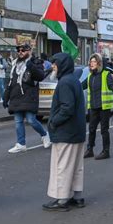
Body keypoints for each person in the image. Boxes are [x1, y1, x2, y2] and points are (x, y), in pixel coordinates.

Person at [43, 53, 86, 212]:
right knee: (76, 166)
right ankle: (77, 196)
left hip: (66, 132)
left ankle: (61, 200)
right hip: (76, 131)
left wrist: (54, 121)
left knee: (63, 166)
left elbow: (67, 108)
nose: (53, 66)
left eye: (55, 64)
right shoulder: (73, 80)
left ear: (62, 65)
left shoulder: (65, 82)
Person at [4, 44, 51, 153]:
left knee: (31, 120)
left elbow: (40, 76)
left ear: (29, 51)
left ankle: (44, 134)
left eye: (23, 50)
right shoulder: (15, 64)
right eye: (19, 50)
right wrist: (5, 97)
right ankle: (21, 143)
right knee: (18, 121)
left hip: (30, 97)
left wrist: (30, 66)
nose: (20, 52)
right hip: (16, 97)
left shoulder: (36, 62)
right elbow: (11, 82)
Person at [82, 53, 113, 160]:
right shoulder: (90, 76)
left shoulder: (106, 74)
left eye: (94, 61)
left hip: (104, 107)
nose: (91, 64)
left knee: (104, 129)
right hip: (93, 106)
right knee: (91, 129)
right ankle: (90, 150)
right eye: (90, 62)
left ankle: (106, 151)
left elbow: (111, 86)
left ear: (99, 63)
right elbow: (81, 86)